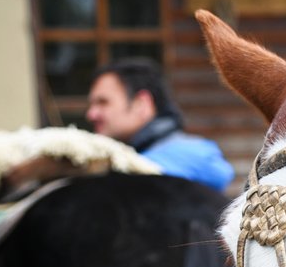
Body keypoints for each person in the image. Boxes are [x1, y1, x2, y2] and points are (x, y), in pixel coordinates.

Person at [86, 58, 235, 190]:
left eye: (103, 102)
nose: (91, 114)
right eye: (91, 105)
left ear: (141, 103)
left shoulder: (186, 154)